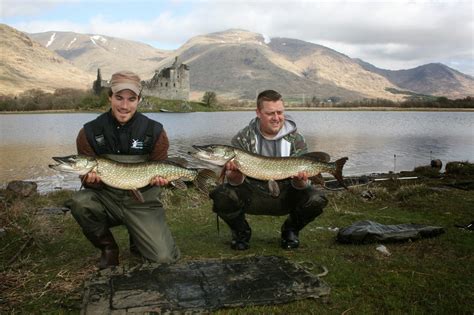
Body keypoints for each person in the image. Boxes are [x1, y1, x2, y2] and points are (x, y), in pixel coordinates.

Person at [66, 70, 180, 269]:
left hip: (142, 202)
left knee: (164, 259)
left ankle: (138, 237)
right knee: (80, 202)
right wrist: (90, 179)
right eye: (119, 98)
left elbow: (160, 166)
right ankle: (108, 248)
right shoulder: (89, 131)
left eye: (131, 99)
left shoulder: (155, 131)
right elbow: (85, 178)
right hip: (107, 199)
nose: (124, 106)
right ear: (110, 97)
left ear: (139, 100)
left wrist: (163, 180)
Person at [209, 90, 328, 250]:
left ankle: (290, 231)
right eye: (270, 113)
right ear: (258, 113)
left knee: (317, 199)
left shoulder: (296, 140)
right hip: (253, 196)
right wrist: (234, 174)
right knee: (221, 194)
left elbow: (301, 186)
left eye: (280, 112)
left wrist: (300, 181)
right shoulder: (242, 138)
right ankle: (241, 233)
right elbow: (235, 183)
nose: (276, 117)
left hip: (286, 196)